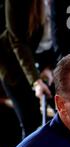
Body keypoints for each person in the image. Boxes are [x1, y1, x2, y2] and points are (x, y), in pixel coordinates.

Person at [0, 0, 56, 139]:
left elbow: (65, 37)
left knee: (64, 112)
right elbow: (18, 41)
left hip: (45, 61)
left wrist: (49, 67)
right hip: (14, 63)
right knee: (30, 120)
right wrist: (36, 81)